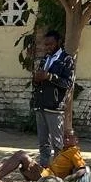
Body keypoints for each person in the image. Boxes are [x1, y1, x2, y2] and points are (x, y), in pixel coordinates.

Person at [31, 27, 76, 167]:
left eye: (50, 44)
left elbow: (67, 83)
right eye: (46, 45)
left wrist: (49, 76)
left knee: (57, 144)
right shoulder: (45, 59)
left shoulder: (66, 60)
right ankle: (45, 172)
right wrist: (36, 79)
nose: (47, 47)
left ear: (58, 42)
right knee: (43, 143)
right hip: (41, 105)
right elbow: (39, 79)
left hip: (55, 108)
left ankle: (58, 172)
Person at [0, 130, 90, 182]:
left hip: (48, 178)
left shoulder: (74, 151)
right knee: (21, 159)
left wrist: (68, 180)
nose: (67, 139)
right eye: (65, 137)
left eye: (70, 137)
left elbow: (82, 169)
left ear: (76, 140)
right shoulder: (64, 150)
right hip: (45, 173)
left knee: (21, 155)